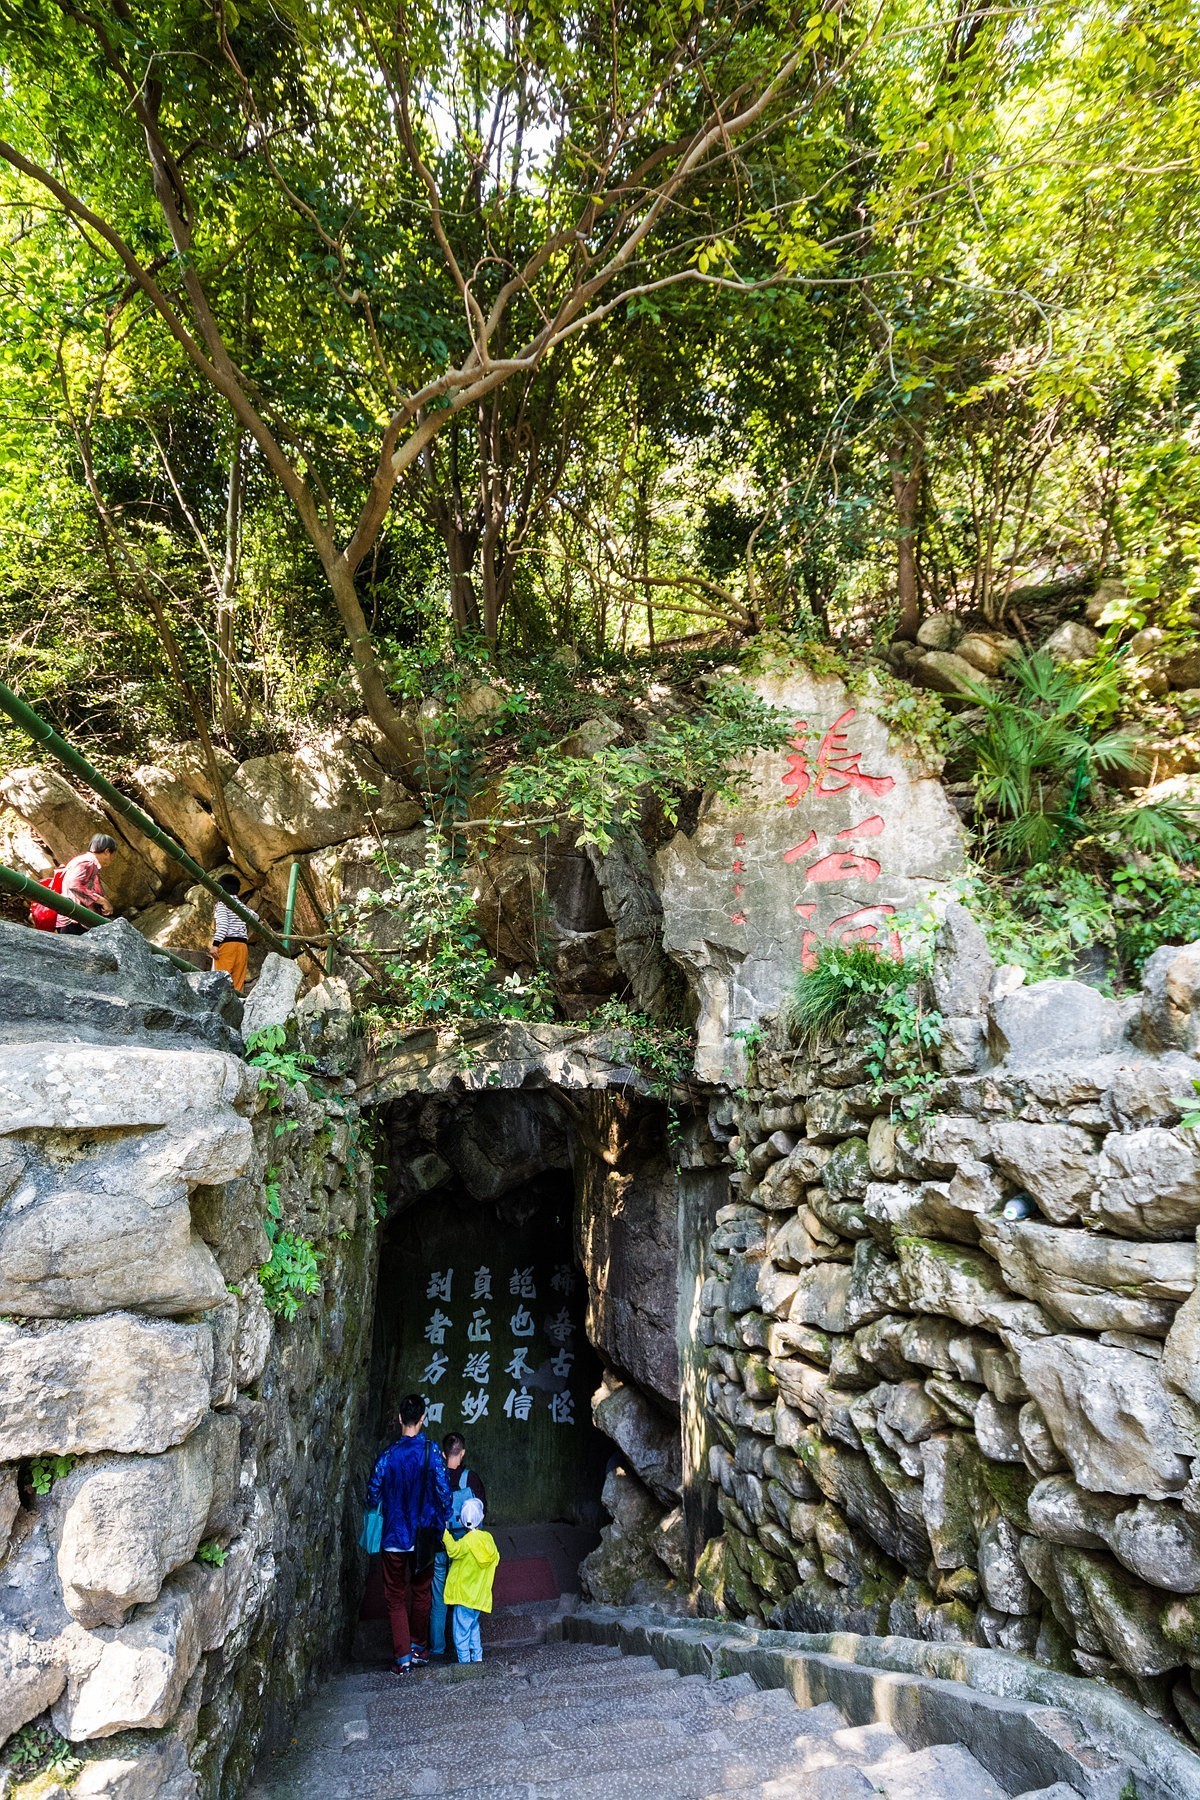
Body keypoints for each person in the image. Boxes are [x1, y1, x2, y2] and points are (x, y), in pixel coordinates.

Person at [366, 1394, 452, 1674]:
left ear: (400, 1418)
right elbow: (444, 1493)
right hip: (424, 1535)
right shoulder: (432, 1453)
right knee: (421, 1592)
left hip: (393, 1535)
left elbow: (372, 1494)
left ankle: (402, 1657)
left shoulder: (387, 1456)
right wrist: (442, 1521)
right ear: (423, 1417)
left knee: (393, 1595)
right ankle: (420, 1648)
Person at [430, 1433, 488, 1659]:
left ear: (443, 1454)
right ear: (462, 1453)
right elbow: (482, 1512)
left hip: (440, 1546)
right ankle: (466, 1651)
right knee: (464, 1599)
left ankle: (436, 1649)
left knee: (438, 1601)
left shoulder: (435, 1478)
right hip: (465, 1549)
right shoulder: (471, 1479)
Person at [442, 1497, 499, 1665]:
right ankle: (478, 1657)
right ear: (481, 1519)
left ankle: (465, 1663)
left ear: (461, 1521)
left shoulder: (465, 1543)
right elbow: (495, 1558)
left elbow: (453, 1551)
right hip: (479, 1596)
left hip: (464, 1596)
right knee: (473, 1627)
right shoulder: (488, 1539)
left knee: (461, 1631)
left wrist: (444, 1532)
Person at [56, 834, 116, 934]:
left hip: (72, 918)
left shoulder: (82, 860)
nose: (112, 859)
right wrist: (101, 900)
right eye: (113, 855)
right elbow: (73, 884)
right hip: (75, 920)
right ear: (107, 851)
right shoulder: (88, 862)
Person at [210, 872, 258, 994]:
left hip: (227, 945)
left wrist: (215, 945)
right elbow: (255, 917)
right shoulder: (241, 906)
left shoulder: (222, 905)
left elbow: (223, 926)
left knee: (220, 981)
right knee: (237, 983)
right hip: (242, 946)